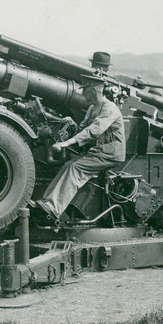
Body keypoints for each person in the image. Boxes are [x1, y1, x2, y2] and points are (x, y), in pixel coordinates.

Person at [35, 74, 126, 218]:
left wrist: (67, 143)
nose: (83, 95)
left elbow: (94, 131)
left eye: (85, 91)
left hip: (109, 153)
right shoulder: (92, 108)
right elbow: (82, 130)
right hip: (97, 152)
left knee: (75, 168)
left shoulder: (110, 108)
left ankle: (53, 208)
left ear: (93, 91)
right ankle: (46, 202)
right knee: (67, 165)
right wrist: (72, 123)